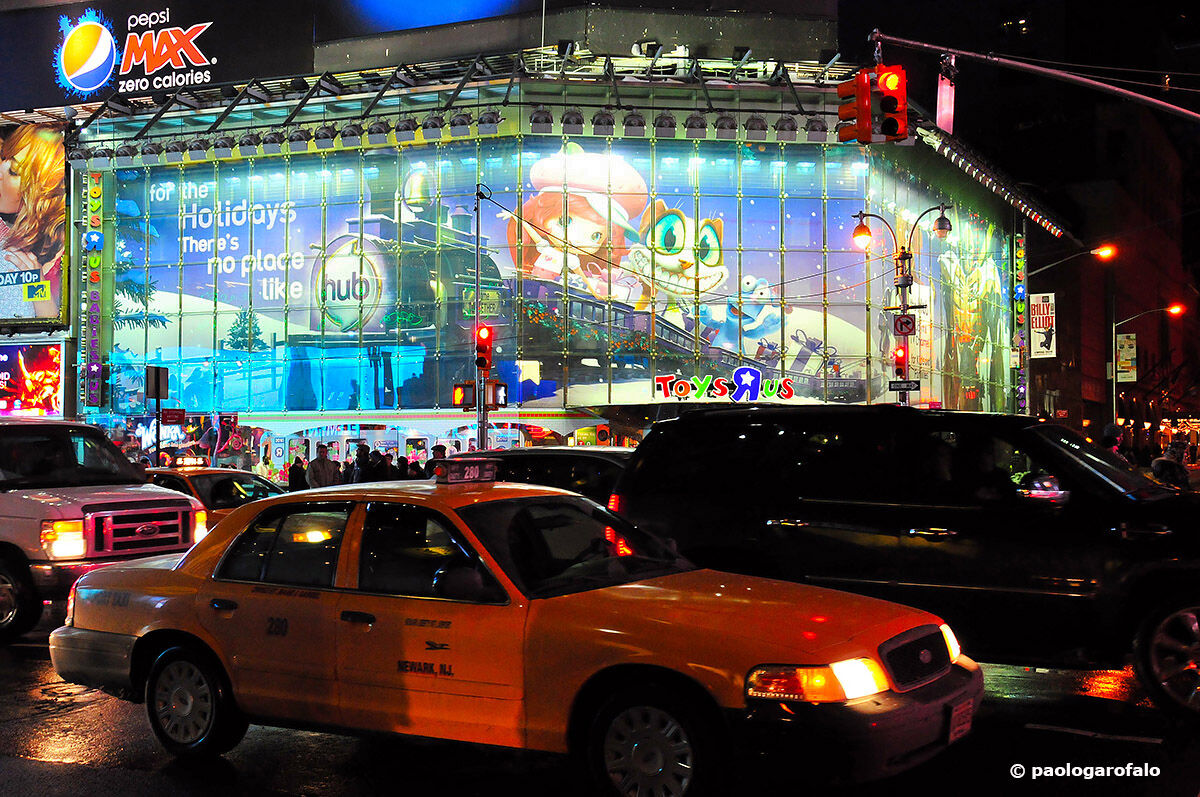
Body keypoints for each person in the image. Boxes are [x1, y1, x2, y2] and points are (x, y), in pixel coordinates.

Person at [0, 123, 65, 320]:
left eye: (13, 171)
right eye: (3, 158)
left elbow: (52, 330)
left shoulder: (66, 253)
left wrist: (35, 283)